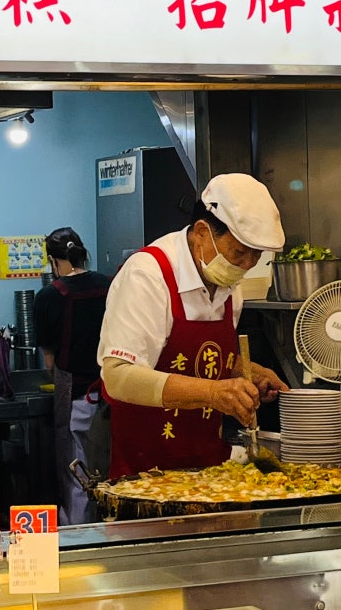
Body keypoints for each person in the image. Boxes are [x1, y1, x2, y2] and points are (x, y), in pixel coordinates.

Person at [98, 172, 288, 478]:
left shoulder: (228, 280)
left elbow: (202, 357)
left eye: (257, 256)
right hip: (146, 471)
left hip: (209, 469)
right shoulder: (149, 274)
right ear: (202, 232)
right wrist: (213, 393)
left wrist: (246, 372)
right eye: (239, 253)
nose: (247, 266)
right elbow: (118, 376)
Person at [34, 227, 111, 524]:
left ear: (54, 261)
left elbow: (49, 362)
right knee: (108, 470)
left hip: (75, 398)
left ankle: (79, 537)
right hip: (112, 396)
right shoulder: (108, 285)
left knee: (76, 472)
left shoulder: (48, 296)